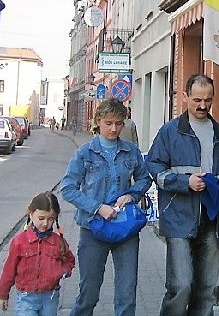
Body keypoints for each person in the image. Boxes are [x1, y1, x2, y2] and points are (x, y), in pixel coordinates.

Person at [146, 74, 219, 315]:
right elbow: (154, 167)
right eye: (197, 100)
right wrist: (185, 182)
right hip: (179, 218)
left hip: (211, 221)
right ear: (184, 97)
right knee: (180, 285)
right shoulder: (169, 132)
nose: (203, 106)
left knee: (206, 289)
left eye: (208, 100)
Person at [60, 98, 152, 316]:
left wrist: (132, 194)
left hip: (125, 229)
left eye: (119, 123)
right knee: (88, 292)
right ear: (98, 121)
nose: (114, 128)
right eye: (109, 123)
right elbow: (68, 188)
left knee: (127, 294)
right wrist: (97, 207)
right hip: (93, 228)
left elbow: (144, 179)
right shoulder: (85, 153)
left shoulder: (131, 151)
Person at [0, 191, 75, 315]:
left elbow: (69, 260)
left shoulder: (59, 241)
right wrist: (3, 294)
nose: (45, 223)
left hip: (50, 296)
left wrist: (63, 271)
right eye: (41, 218)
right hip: (26, 297)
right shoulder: (20, 242)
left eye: (51, 219)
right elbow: (9, 269)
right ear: (31, 214)